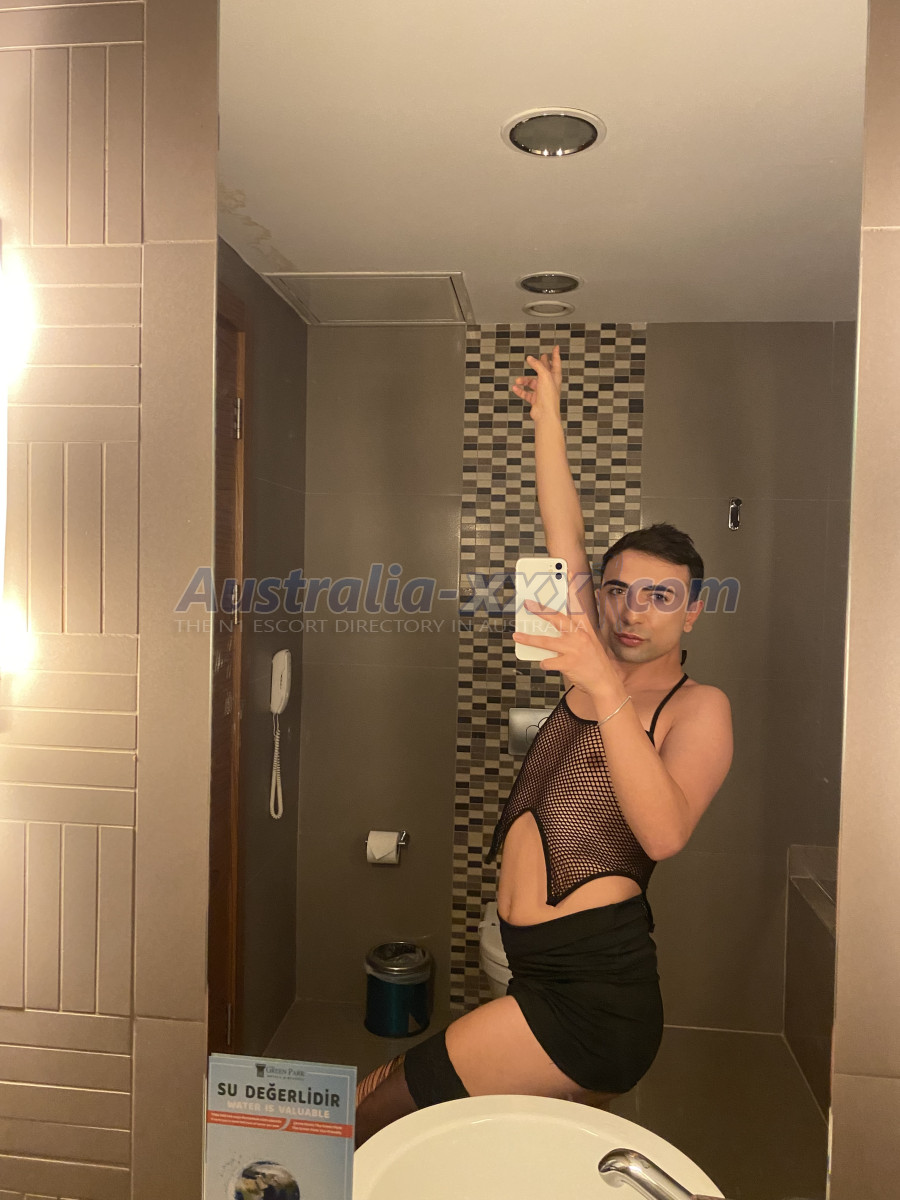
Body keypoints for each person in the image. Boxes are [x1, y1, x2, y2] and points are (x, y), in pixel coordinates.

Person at [354, 345, 733, 1146]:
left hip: (596, 994)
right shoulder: (593, 648)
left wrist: (603, 686)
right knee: (501, 1144)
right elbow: (565, 528)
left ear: (693, 611)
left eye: (659, 596)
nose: (632, 611)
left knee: (373, 1114)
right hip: (536, 971)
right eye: (617, 590)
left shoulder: (698, 708)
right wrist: (547, 417)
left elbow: (664, 831)